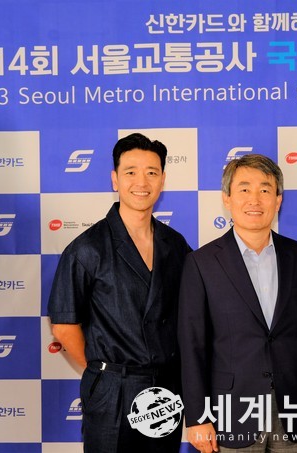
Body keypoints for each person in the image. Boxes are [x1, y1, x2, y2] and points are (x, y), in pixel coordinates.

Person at [178, 154, 297, 453]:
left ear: (278, 200)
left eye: (265, 189)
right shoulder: (201, 263)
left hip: (296, 407)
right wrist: (197, 417)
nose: (255, 199)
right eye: (244, 189)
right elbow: (192, 346)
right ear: (227, 198)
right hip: (231, 410)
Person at [47, 133, 191, 452]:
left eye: (151, 172)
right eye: (130, 172)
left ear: (162, 180)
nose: (142, 182)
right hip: (113, 392)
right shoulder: (87, 248)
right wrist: (105, 372)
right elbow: (64, 326)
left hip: (166, 391)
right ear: (115, 179)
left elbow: (190, 314)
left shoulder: (176, 245)